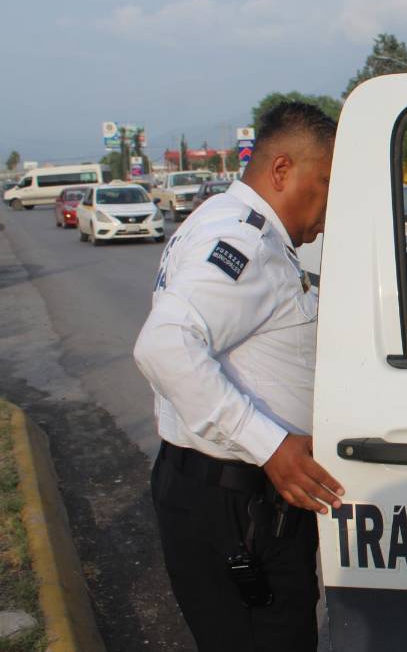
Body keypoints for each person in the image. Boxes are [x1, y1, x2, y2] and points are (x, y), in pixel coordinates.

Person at [134, 101, 342, 652]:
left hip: (229, 497)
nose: (330, 205)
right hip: (236, 504)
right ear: (281, 171)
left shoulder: (233, 223)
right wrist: (271, 445)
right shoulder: (244, 242)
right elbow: (164, 344)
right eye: (325, 184)